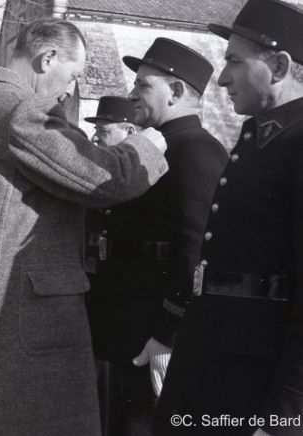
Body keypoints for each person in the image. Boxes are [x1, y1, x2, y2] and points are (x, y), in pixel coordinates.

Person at [0, 17, 169, 436]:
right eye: (73, 75)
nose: (71, 90)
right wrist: (146, 145)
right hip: (16, 322)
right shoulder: (19, 110)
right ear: (48, 57)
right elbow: (104, 177)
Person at [152, 0, 303, 436]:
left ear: (279, 66)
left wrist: (286, 415)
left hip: (253, 386)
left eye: (235, 62)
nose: (221, 79)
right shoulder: (261, 137)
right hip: (210, 361)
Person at [86, 42, 229, 436]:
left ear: (176, 92)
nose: (132, 94)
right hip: (126, 330)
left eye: (143, 85)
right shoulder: (156, 145)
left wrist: (167, 334)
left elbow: (196, 251)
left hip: (152, 336)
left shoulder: (196, 152)